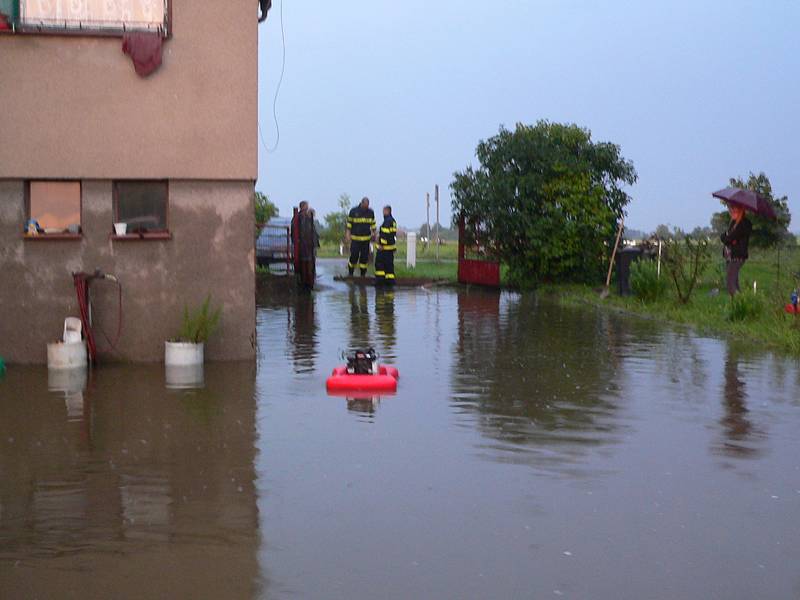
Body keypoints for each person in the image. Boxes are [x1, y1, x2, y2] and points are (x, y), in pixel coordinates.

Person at [720, 204, 752, 297]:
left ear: (741, 211)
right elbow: (725, 237)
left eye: (734, 210)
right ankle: (738, 305)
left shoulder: (743, 224)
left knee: (730, 284)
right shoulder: (733, 223)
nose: (732, 212)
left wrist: (728, 238)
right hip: (730, 256)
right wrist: (727, 238)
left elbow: (728, 238)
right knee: (734, 282)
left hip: (737, 256)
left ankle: (740, 302)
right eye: (731, 210)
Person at [346, 196, 375, 277]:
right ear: (361, 203)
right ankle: (350, 273)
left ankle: (363, 274)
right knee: (354, 256)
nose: (366, 207)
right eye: (365, 206)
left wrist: (374, 233)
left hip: (366, 240)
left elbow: (373, 225)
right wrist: (347, 235)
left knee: (364, 258)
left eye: (367, 206)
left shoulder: (370, 212)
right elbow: (349, 225)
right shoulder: (353, 211)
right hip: (355, 239)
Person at [292, 201, 317, 290]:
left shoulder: (308, 218)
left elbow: (312, 232)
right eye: (306, 207)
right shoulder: (299, 218)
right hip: (303, 245)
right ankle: (305, 283)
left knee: (310, 264)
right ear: (302, 207)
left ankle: (309, 282)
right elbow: (296, 232)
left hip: (310, 245)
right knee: (304, 264)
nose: (307, 209)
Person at [375, 205, 397, 285]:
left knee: (380, 266)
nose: (383, 213)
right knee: (389, 267)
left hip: (384, 249)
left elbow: (385, 235)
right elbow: (392, 235)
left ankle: (379, 282)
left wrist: (381, 244)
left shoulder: (387, 221)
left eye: (383, 211)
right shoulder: (393, 221)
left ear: (387, 211)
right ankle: (390, 283)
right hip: (390, 249)